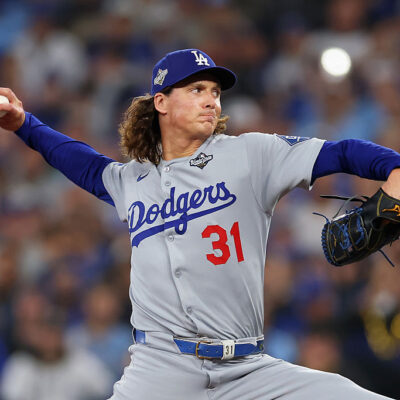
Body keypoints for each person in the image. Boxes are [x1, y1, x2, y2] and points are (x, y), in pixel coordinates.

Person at [1, 48, 399, 399]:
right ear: (161, 102)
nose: (211, 100)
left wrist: (394, 167)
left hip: (248, 368)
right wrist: (24, 124)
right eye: (196, 90)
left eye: (215, 91)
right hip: (159, 371)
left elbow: (341, 152)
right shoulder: (131, 180)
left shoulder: (250, 154)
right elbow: (82, 162)